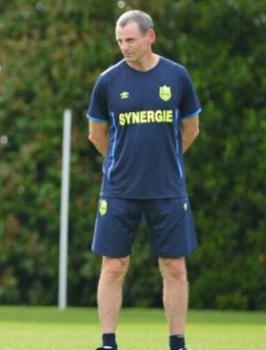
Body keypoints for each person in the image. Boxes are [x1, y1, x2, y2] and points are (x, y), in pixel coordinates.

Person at [86, 9, 201, 350]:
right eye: (120, 41)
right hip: (119, 190)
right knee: (113, 265)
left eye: (131, 40)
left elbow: (191, 128)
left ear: (150, 36)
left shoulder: (177, 77)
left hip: (167, 188)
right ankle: (108, 343)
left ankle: (177, 342)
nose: (124, 47)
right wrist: (121, 164)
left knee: (174, 266)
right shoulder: (108, 81)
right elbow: (96, 134)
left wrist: (165, 161)